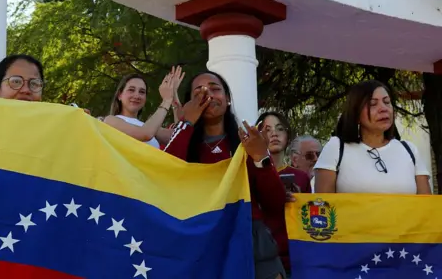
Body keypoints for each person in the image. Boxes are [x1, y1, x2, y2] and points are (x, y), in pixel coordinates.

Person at [164, 71, 289, 279]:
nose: (208, 95)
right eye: (199, 92)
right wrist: (187, 123)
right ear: (189, 104)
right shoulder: (182, 139)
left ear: (228, 99)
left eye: (215, 89)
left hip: (252, 245)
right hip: (203, 245)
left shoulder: (247, 143)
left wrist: (260, 157)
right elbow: (165, 173)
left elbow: (275, 203)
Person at [314, 80, 431, 194]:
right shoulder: (336, 147)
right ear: (356, 114)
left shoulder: (409, 150)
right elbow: (322, 205)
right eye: (372, 104)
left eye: (387, 102)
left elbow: (426, 207)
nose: (383, 109)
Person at [256, 112, 310, 277]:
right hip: (264, 258)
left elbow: (309, 220)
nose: (274, 134)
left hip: (296, 257)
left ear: (287, 135)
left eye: (280, 129)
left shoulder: (301, 177)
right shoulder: (251, 175)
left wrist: (300, 202)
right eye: (267, 129)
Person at [104, 66, 184, 148]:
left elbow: (179, 138)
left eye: (142, 92)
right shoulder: (110, 120)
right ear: (119, 95)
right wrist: (166, 100)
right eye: (131, 90)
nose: (137, 95)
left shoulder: (149, 127)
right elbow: (145, 134)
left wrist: (173, 94)